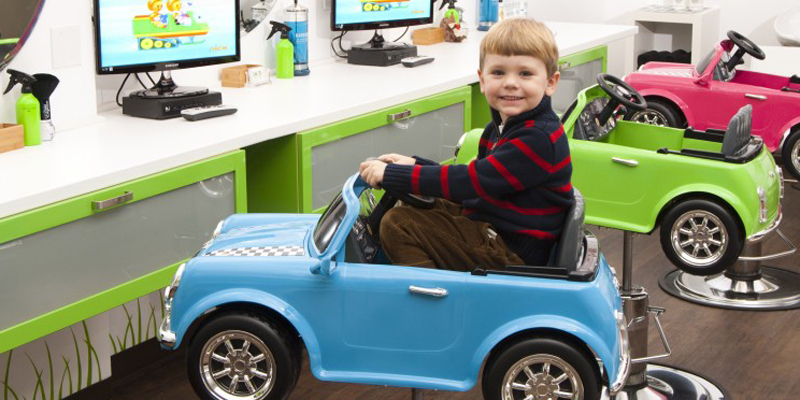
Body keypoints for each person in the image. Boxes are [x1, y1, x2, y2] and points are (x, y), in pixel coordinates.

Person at [359, 18, 574, 271]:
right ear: (482, 80)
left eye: (525, 73)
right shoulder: (499, 128)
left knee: (399, 224)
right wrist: (414, 165)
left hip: (513, 251)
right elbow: (476, 181)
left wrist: (398, 174)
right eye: (498, 72)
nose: (510, 82)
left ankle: (430, 292)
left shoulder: (537, 138)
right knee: (413, 201)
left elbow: (473, 181)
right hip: (493, 224)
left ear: (550, 82)